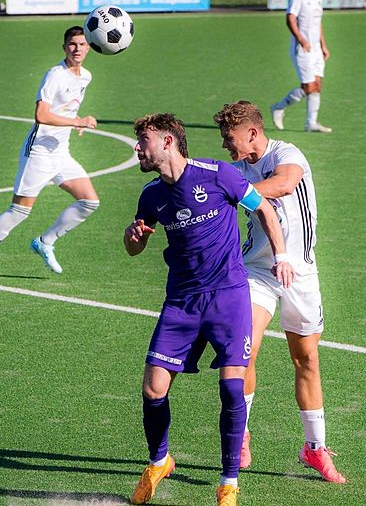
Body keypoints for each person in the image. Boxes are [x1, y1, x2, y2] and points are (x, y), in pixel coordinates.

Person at [124, 113, 296, 506]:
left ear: (168, 142)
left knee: (232, 388)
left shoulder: (218, 175)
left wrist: (281, 256)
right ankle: (159, 462)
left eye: (144, 140)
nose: (138, 147)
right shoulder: (152, 195)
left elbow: (264, 208)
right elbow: (135, 247)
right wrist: (133, 237)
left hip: (228, 297)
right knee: (153, 388)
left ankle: (228, 482)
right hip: (182, 301)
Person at [213, 100, 347, 484]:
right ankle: (241, 434)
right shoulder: (235, 170)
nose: (225, 145)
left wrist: (238, 192)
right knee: (245, 350)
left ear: (252, 133)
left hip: (300, 272)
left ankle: (315, 448)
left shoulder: (286, 154)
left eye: (229, 137)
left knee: (307, 359)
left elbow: (285, 184)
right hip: (257, 270)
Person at [0, 25, 100, 282]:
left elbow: (66, 109)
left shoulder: (86, 76)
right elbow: (41, 115)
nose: (77, 49)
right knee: (19, 211)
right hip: (38, 152)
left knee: (89, 202)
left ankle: (45, 242)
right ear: (64, 47)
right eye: (72, 44)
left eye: (82, 44)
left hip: (61, 153)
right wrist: (77, 122)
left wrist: (77, 122)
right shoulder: (55, 75)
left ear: (89, 47)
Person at [271, 0, 332, 133]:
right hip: (302, 49)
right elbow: (290, 19)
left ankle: (311, 123)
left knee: (317, 85)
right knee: (309, 87)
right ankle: (279, 107)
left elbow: (318, 23)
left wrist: (323, 45)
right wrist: (301, 40)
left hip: (317, 49)